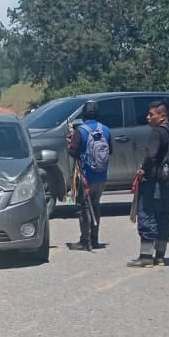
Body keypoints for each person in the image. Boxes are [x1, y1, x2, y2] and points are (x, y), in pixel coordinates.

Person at [128, 100, 169, 268]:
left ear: (162, 116)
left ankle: (146, 257)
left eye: (152, 114)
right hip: (168, 183)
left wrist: (143, 171)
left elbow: (152, 156)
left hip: (154, 182)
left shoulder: (157, 132)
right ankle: (160, 257)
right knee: (163, 217)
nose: (148, 117)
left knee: (147, 216)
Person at [66, 100, 112, 251]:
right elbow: (110, 150)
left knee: (84, 206)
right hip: (101, 176)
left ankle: (85, 241)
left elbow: (73, 152)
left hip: (86, 176)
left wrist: (70, 142)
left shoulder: (81, 131)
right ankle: (95, 239)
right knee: (96, 204)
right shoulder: (105, 129)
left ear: (84, 114)